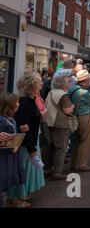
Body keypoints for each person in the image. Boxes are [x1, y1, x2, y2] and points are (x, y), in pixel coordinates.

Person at [7, 71, 45, 208]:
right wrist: (31, 148)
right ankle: (14, 198)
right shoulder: (24, 102)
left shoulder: (29, 100)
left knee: (27, 171)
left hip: (30, 142)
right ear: (32, 86)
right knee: (21, 170)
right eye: (39, 82)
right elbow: (23, 127)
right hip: (24, 145)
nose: (41, 84)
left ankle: (21, 195)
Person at [42, 75, 74, 180]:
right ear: (63, 84)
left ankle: (47, 170)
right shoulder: (63, 95)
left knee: (49, 148)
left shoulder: (51, 93)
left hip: (48, 123)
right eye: (68, 81)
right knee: (60, 149)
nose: (70, 83)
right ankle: (57, 173)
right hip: (59, 124)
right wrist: (73, 106)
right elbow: (67, 110)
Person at [0, 93, 28, 208]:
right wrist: (13, 145)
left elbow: (11, 133)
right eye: (16, 102)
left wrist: (19, 129)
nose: (18, 104)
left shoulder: (9, 119)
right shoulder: (2, 122)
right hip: (4, 158)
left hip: (9, 157)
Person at [67, 70, 90, 172]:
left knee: (76, 141)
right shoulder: (84, 92)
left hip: (75, 116)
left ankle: (74, 163)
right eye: (89, 79)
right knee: (85, 141)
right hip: (85, 117)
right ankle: (82, 164)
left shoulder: (72, 89)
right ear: (86, 80)